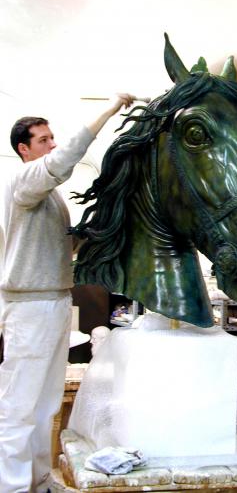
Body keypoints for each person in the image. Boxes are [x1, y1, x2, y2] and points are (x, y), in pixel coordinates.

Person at [0, 93, 136, 493]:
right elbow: (62, 162)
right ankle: (10, 486)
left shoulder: (47, 197)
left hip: (54, 299)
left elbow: (60, 246)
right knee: (20, 405)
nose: (53, 144)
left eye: (52, 136)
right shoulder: (24, 181)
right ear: (24, 149)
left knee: (44, 406)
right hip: (30, 304)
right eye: (43, 140)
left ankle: (38, 481)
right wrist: (107, 111)